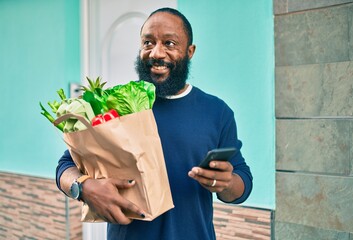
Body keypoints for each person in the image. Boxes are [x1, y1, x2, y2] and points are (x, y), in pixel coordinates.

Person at [56, 7, 253, 240]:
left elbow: (242, 183)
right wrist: (84, 188)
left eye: (169, 43)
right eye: (148, 43)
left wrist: (227, 182)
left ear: (190, 51)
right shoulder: (116, 103)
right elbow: (65, 166)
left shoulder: (217, 112)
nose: (156, 53)